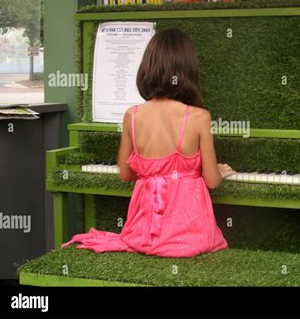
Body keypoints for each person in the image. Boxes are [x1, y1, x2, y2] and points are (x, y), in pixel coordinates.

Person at [62, 28, 235, 257]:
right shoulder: (199, 117)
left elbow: (125, 173)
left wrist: (153, 176)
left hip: (142, 235)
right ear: (188, 71)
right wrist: (220, 172)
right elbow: (212, 181)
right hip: (192, 237)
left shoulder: (132, 115)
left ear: (147, 68)